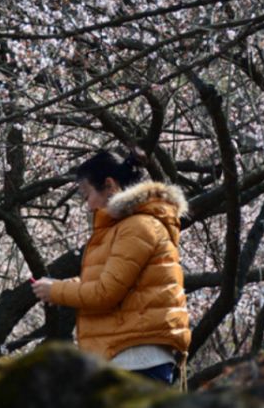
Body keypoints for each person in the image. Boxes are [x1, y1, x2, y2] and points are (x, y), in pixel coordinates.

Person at [31, 150, 191, 386]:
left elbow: (106, 293)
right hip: (130, 355)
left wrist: (57, 292)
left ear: (109, 184)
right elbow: (113, 284)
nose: (88, 206)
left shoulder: (138, 227)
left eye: (87, 196)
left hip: (135, 358)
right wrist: (60, 287)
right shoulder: (128, 227)